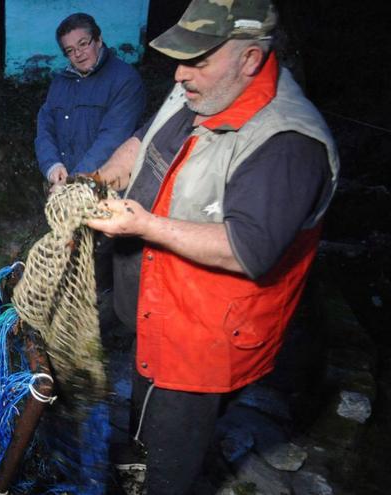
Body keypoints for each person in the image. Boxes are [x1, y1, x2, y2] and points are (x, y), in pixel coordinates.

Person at [84, 0, 339, 493]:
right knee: (141, 422)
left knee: (166, 460)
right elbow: (143, 140)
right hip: (154, 315)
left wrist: (145, 226)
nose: (179, 74)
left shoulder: (286, 141)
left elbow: (248, 249)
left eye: (197, 60)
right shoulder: (201, 89)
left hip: (198, 339)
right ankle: (130, 475)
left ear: (250, 58)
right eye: (181, 58)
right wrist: (98, 178)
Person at [35, 13, 146, 191]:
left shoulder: (125, 80)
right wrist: (52, 165)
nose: (78, 54)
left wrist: (74, 181)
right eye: (70, 51)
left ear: (99, 40)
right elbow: (45, 128)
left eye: (83, 44)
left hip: (107, 188)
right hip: (65, 186)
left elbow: (113, 138)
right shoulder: (60, 82)